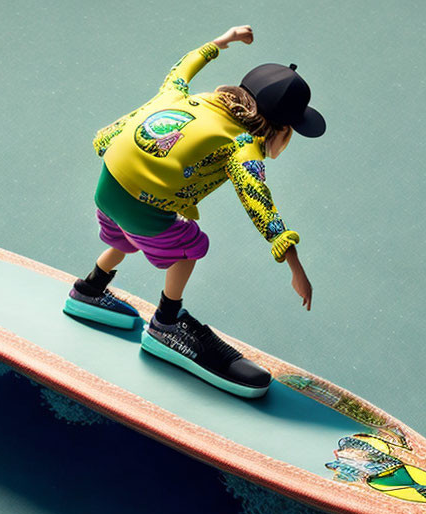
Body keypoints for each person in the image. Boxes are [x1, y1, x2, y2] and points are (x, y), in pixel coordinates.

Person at [63, 25, 325, 398]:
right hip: (143, 205)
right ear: (281, 129)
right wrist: (295, 264)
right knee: (189, 245)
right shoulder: (241, 142)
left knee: (126, 238)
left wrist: (222, 41)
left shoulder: (190, 100)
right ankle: (167, 323)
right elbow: (258, 199)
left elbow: (181, 70)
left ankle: (89, 289)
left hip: (108, 188)